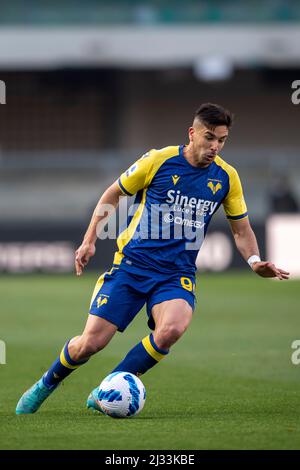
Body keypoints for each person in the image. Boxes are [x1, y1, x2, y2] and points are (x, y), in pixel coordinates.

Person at [16, 103, 289, 414]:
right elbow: (112, 193)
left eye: (222, 140)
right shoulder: (159, 160)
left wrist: (255, 261)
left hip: (176, 274)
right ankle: (44, 385)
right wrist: (90, 238)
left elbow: (241, 231)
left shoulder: (227, 178)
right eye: (209, 137)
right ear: (192, 133)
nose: (215, 146)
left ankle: (108, 387)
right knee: (89, 344)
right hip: (132, 266)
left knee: (171, 329)